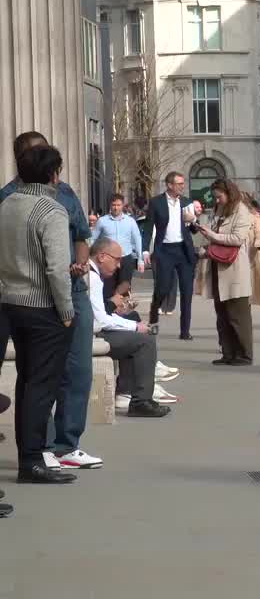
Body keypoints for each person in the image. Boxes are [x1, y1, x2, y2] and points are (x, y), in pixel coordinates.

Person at [0, 132, 100, 471]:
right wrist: (66, 311)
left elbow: (81, 236)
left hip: (35, 297)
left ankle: (58, 447)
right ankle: (37, 453)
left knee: (60, 375)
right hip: (46, 300)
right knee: (39, 381)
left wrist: (80, 268)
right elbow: (56, 269)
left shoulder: (21, 202)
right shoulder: (42, 206)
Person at [85, 238, 170, 418]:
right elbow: (100, 321)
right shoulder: (92, 277)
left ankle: (128, 390)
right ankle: (140, 401)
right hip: (87, 335)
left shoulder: (91, 274)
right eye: (116, 260)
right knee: (144, 341)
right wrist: (134, 327)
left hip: (88, 330)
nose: (118, 266)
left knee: (134, 329)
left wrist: (132, 325)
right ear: (101, 257)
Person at [196, 179, 257, 367]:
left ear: (229, 194)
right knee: (222, 315)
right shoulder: (219, 210)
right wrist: (206, 243)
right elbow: (214, 235)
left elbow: (237, 238)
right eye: (214, 197)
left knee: (237, 315)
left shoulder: (242, 211)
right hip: (217, 267)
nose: (216, 201)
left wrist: (212, 235)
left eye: (219, 197)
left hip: (234, 269)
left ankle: (244, 354)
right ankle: (228, 353)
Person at [145, 172, 197, 340]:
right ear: (169, 185)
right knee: (163, 288)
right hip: (165, 251)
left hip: (184, 251)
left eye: (183, 183)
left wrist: (193, 220)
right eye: (179, 183)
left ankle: (185, 331)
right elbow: (148, 227)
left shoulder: (187, 202)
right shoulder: (156, 202)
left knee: (187, 292)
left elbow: (193, 230)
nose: (182, 186)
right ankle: (153, 318)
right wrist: (145, 250)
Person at [91, 193, 144, 301]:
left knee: (124, 287)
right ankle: (108, 307)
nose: (116, 208)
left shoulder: (130, 221)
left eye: (118, 205)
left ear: (123, 205)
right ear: (110, 205)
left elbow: (137, 239)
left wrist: (140, 259)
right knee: (108, 287)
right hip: (108, 259)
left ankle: (124, 308)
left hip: (126, 258)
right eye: (114, 205)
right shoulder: (102, 221)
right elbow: (93, 239)